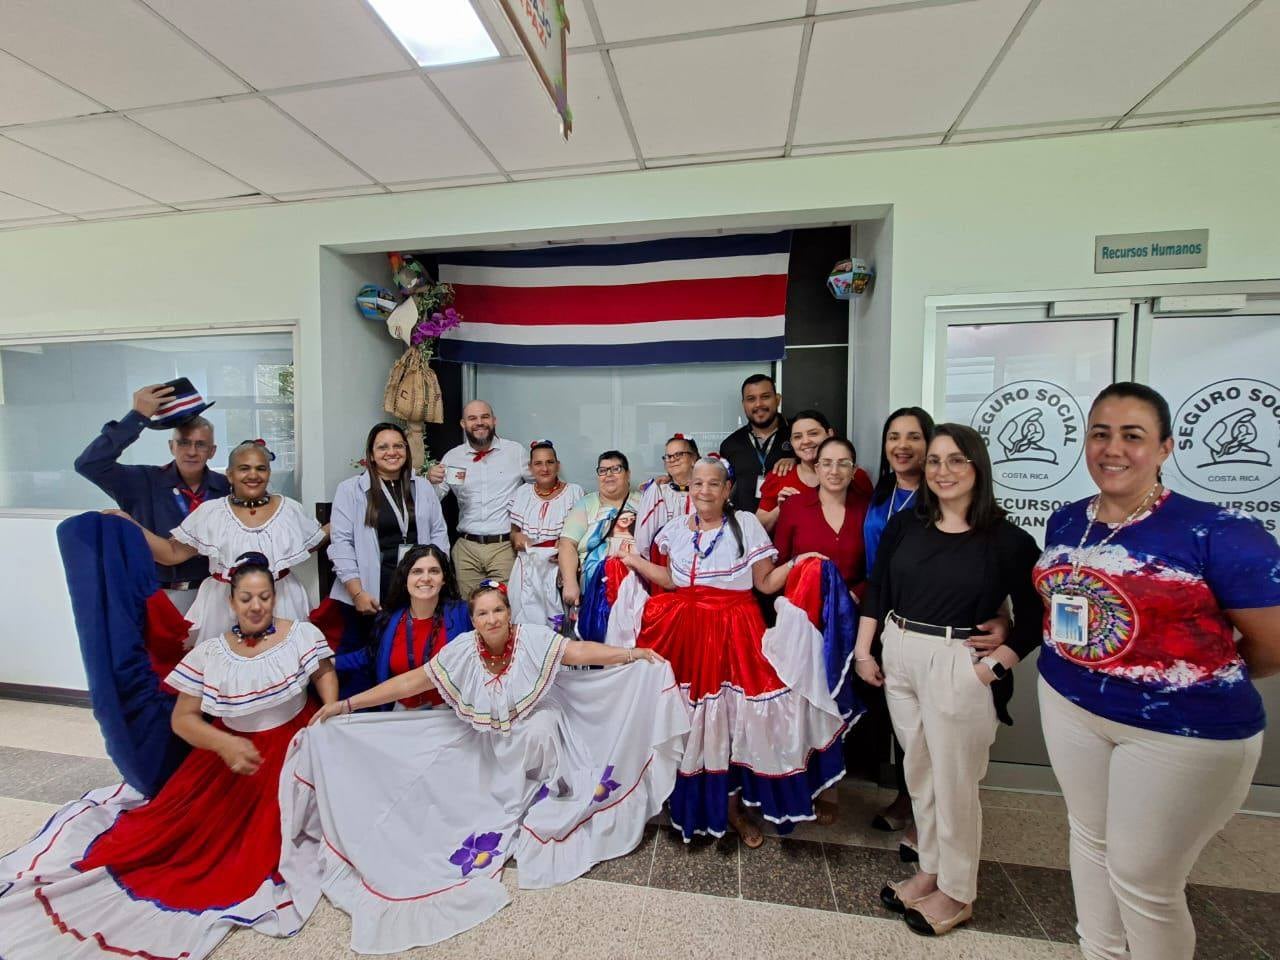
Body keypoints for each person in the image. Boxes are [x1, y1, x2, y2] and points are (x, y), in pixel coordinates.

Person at [278, 581, 690, 953]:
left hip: (540, 736)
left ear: (509, 612)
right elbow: (412, 682)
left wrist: (632, 653)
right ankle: (502, 797)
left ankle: (542, 793)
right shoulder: (462, 652)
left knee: (541, 726)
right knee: (442, 772)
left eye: (498, 610)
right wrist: (347, 704)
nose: (492, 618)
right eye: (483, 612)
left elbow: (576, 651)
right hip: (492, 742)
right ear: (472, 619)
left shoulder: (530, 640)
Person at [1033, 382, 1280, 960]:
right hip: (1071, 703)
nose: (1113, 448)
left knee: (1145, 880)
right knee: (1091, 844)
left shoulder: (1222, 533)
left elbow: (1271, 646)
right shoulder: (1067, 522)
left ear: (1165, 447)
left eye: (1132, 435)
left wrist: (1185, 675)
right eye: (1100, 433)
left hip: (1181, 731)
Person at [0, 551, 337, 959]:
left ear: (274, 597)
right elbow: (184, 720)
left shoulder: (300, 635)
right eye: (246, 598)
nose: (256, 606)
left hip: (293, 745)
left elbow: (323, 672)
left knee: (270, 845)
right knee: (183, 846)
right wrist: (224, 744)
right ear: (231, 601)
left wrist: (326, 714)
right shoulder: (211, 653)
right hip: (230, 754)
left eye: (264, 597)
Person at [854, 424, 1041, 937]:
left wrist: (993, 665)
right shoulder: (907, 526)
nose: (942, 471)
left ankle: (959, 891)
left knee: (956, 782)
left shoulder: (1007, 540)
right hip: (901, 652)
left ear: (977, 467)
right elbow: (879, 588)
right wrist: (864, 648)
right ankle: (932, 870)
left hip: (958, 660)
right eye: (935, 461)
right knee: (920, 773)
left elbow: (1035, 616)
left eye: (956, 461)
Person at [615, 455, 846, 846]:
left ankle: (733, 809)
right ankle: (684, 800)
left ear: (727, 490)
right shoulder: (674, 529)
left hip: (734, 631)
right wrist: (632, 560)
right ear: (690, 489)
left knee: (736, 721)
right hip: (683, 630)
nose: (703, 490)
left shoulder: (748, 525)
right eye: (697, 484)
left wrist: (798, 562)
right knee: (685, 716)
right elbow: (671, 580)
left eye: (712, 484)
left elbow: (767, 583)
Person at [118, 439, 324, 645]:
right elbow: (172, 554)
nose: (253, 475)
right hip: (222, 606)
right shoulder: (211, 512)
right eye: (244, 468)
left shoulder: (289, 509)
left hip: (282, 600)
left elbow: (311, 542)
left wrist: (344, 520)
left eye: (261, 468)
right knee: (226, 670)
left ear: (269, 473)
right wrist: (131, 526)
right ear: (230, 474)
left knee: (282, 667)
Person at [74, 381, 229, 614]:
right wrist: (137, 417)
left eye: (200, 445)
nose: (191, 451)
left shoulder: (226, 488)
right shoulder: (141, 482)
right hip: (156, 597)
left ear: (212, 451)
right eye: (184, 443)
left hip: (214, 596)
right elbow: (89, 464)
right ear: (171, 446)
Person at [321, 422, 449, 697]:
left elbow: (439, 534)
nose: (391, 452)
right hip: (370, 592)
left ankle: (405, 710)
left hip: (415, 589)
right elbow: (340, 543)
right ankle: (362, 714)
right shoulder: (350, 490)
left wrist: (437, 579)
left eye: (398, 446)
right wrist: (357, 592)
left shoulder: (423, 487)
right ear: (370, 453)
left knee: (408, 656)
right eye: (383, 447)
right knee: (366, 660)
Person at [863, 406, 934, 843]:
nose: (902, 446)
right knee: (898, 717)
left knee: (928, 724)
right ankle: (908, 799)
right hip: (879, 613)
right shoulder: (878, 494)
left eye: (913, 437)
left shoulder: (940, 495)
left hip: (923, 614)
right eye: (893, 437)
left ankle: (926, 814)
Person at [428, 400, 530, 598]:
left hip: (504, 547)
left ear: (494, 421)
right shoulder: (452, 457)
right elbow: (434, 500)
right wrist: (430, 481)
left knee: (505, 606)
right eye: (472, 418)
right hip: (466, 549)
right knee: (470, 609)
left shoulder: (515, 452)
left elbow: (541, 486)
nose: (479, 422)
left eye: (484, 417)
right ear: (463, 424)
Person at [366, 544, 471, 710]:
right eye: (417, 571)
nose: (426, 578)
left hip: (451, 715)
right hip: (404, 713)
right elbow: (368, 656)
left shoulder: (463, 614)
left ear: (444, 579)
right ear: (405, 578)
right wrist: (329, 661)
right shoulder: (389, 620)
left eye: (434, 571)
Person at [773, 436, 872, 601]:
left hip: (853, 611)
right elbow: (780, 563)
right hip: (803, 610)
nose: (834, 471)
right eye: (826, 463)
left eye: (843, 464)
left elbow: (877, 566)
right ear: (817, 469)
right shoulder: (794, 506)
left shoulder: (867, 509)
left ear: (854, 471)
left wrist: (855, 595)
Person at [507, 440, 584, 629]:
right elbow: (514, 533)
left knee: (560, 627)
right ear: (530, 468)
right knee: (524, 624)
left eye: (550, 462)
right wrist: (517, 538)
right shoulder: (522, 493)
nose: (545, 468)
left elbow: (582, 534)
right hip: (526, 568)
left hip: (559, 569)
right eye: (538, 463)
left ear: (558, 465)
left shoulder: (574, 492)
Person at [757, 409, 873, 533]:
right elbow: (757, 530)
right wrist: (781, 510)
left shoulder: (855, 476)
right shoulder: (780, 475)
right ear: (791, 442)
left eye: (813, 433)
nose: (805, 441)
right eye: (797, 437)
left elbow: (872, 522)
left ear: (830, 434)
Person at [558, 450, 640, 618]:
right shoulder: (586, 503)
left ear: (628, 474)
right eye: (603, 471)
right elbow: (567, 544)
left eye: (616, 469)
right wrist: (570, 583)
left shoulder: (644, 501)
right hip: (595, 589)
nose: (608, 475)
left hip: (637, 587)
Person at [718, 374, 796, 513]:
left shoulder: (798, 433)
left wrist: (798, 461)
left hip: (790, 525)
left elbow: (820, 464)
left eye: (765, 397)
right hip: (747, 529)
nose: (758, 404)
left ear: (777, 399)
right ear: (744, 404)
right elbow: (721, 483)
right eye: (751, 399)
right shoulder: (730, 444)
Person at [635, 433, 697, 567]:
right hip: (663, 565)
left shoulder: (705, 493)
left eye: (679, 454)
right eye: (668, 456)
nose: (672, 459)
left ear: (694, 459)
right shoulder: (657, 492)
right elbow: (643, 540)